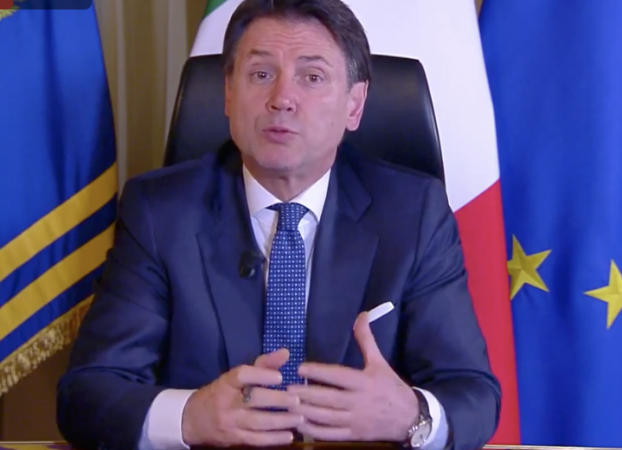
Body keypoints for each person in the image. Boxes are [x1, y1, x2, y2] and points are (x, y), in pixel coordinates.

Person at [56, 0, 501, 449]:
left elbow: (473, 394)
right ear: (228, 94)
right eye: (261, 74)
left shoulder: (414, 213)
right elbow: (87, 394)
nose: (282, 99)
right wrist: (189, 417)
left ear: (354, 104)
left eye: (312, 77)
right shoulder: (159, 212)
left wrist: (412, 416)